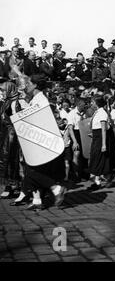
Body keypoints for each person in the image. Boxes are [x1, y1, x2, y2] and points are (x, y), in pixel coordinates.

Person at [19, 74, 67, 210]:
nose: (26, 85)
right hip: (36, 140)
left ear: (35, 85)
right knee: (34, 170)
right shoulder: (37, 99)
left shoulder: (41, 101)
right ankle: (37, 200)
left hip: (40, 141)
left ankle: (56, 188)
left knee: (31, 171)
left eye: (28, 83)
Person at [0, 82, 24, 199]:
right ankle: (10, 186)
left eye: (4, 90)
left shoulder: (15, 103)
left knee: (11, 161)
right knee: (5, 161)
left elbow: (18, 121)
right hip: (5, 135)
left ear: (10, 90)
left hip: (12, 136)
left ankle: (12, 186)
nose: (2, 93)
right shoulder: (6, 102)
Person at [87, 95, 111, 191]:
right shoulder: (97, 112)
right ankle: (98, 180)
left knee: (98, 158)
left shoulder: (102, 113)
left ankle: (101, 179)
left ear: (97, 103)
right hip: (96, 136)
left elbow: (104, 129)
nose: (91, 104)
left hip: (101, 138)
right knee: (95, 157)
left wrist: (104, 144)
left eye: (92, 102)